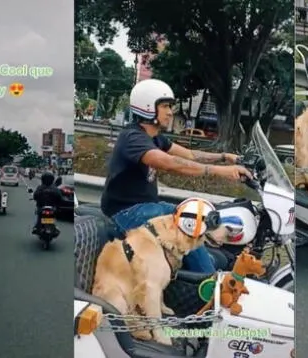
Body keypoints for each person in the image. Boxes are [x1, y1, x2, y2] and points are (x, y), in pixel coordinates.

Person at [100, 78, 251, 274]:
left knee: (190, 216)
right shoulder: (132, 138)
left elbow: (188, 154)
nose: (170, 112)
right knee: (189, 220)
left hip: (146, 207)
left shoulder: (154, 138)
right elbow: (169, 163)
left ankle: (200, 264)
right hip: (126, 212)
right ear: (147, 107)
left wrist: (225, 157)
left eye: (170, 106)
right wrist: (219, 172)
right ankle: (208, 282)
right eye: (165, 106)